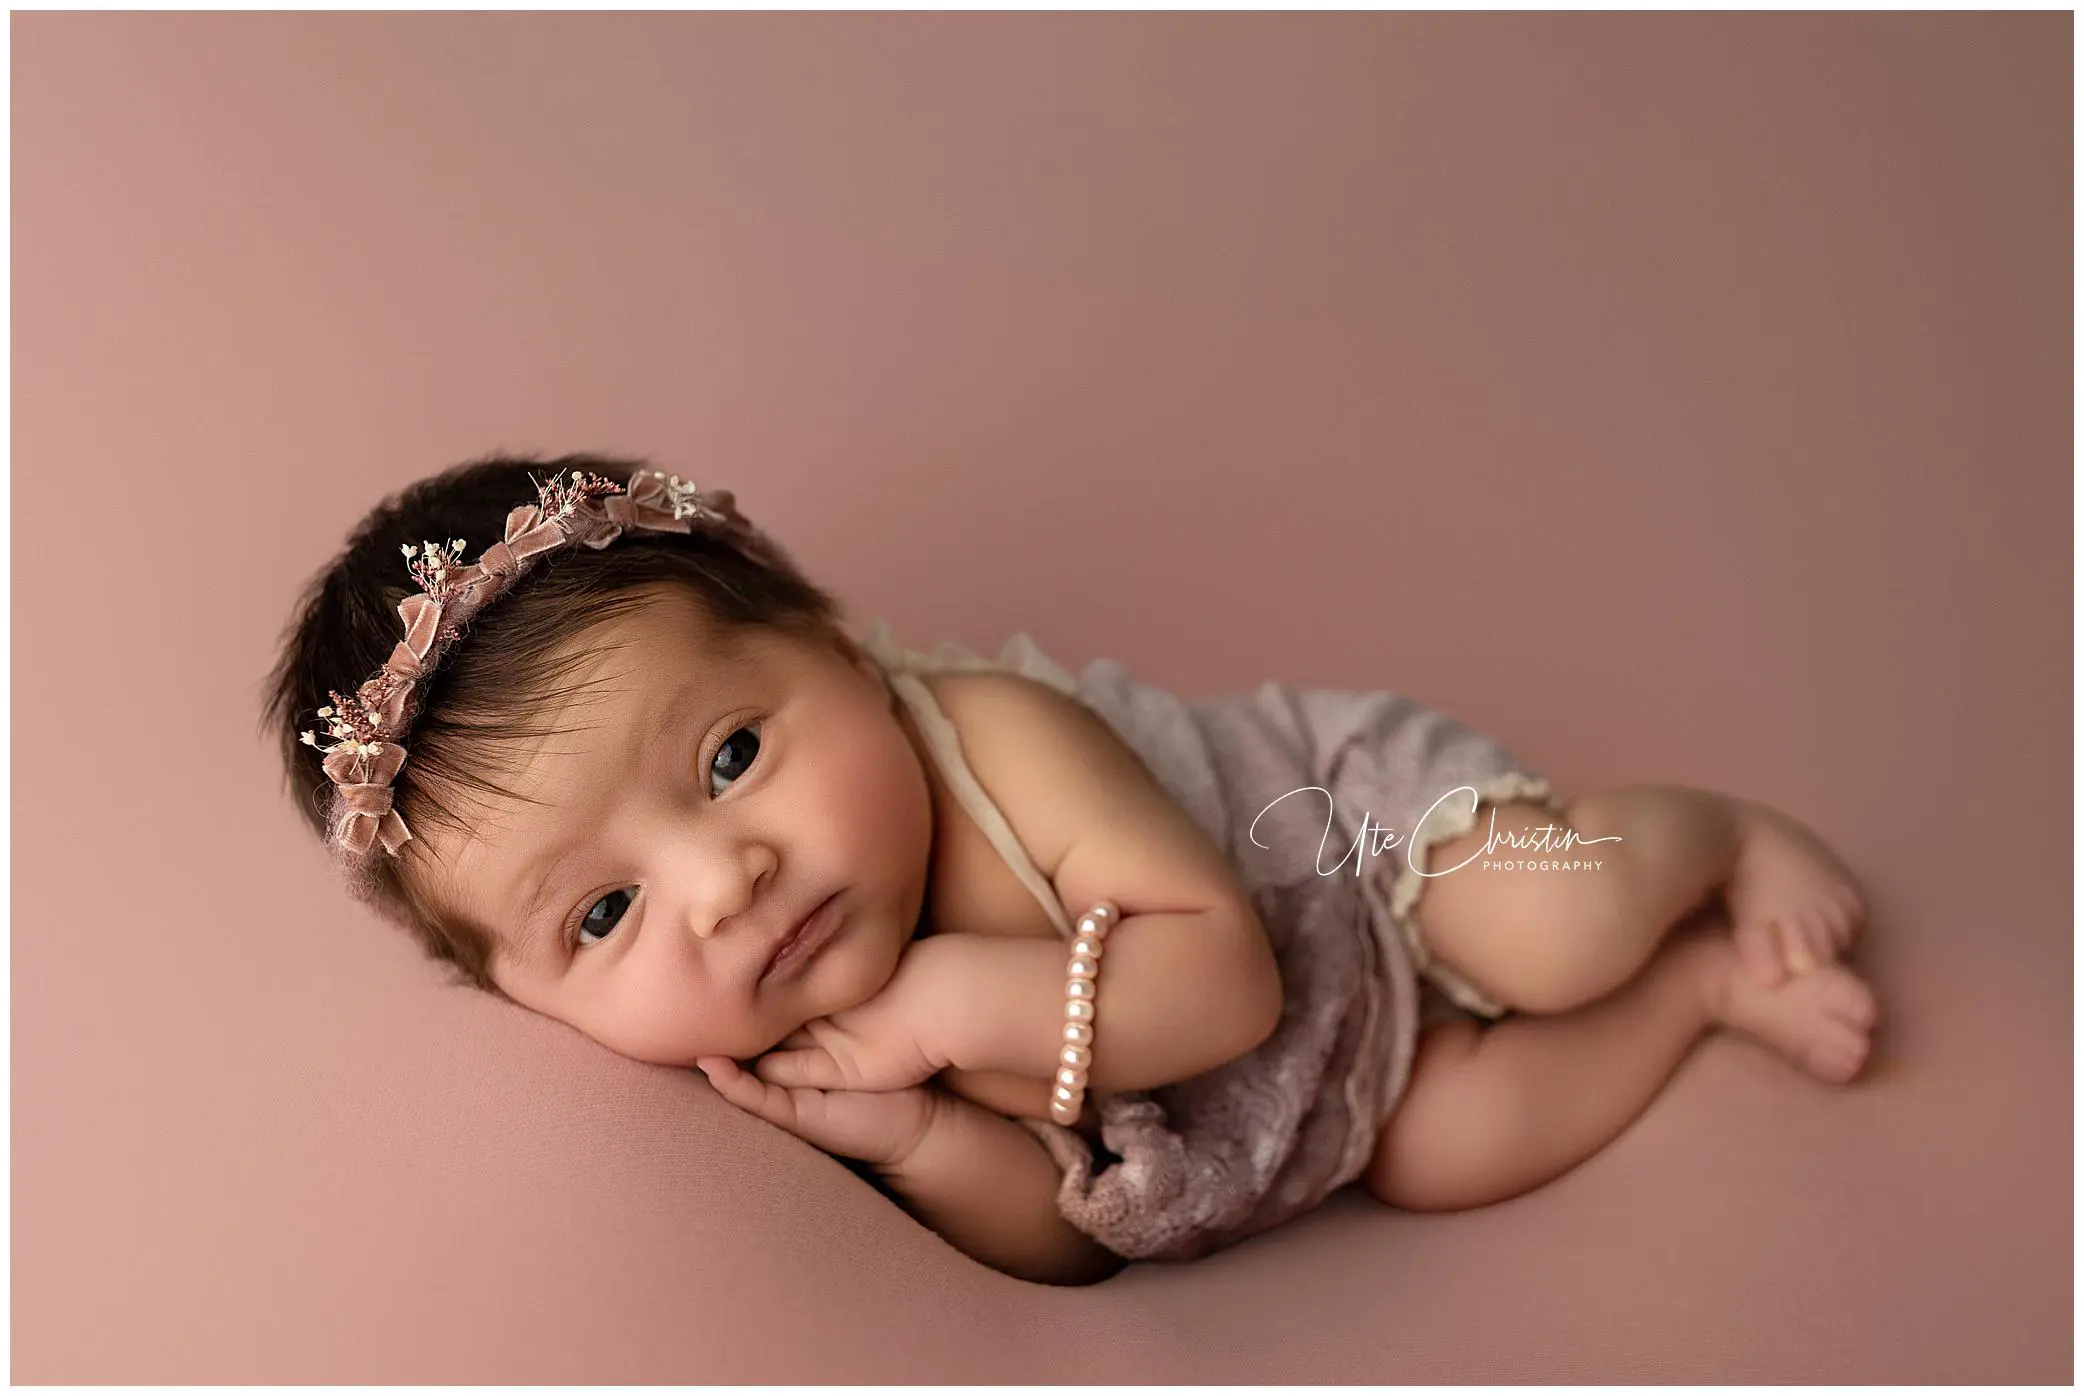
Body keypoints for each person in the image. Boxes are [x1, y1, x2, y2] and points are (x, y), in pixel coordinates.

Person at [263, 451, 1878, 1285]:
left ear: (836, 645)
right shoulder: (788, 1027)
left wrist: (948, 1011)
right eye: (605, 915)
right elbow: (1070, 1238)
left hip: (1344, 859)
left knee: (1550, 924)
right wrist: (907, 1134)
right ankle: (1705, 994)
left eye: (733, 756)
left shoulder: (990, 738)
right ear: (529, 996)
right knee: (1446, 1150)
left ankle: (1709, 840)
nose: (728, 880)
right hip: (1343, 1093)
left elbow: (1225, 979)